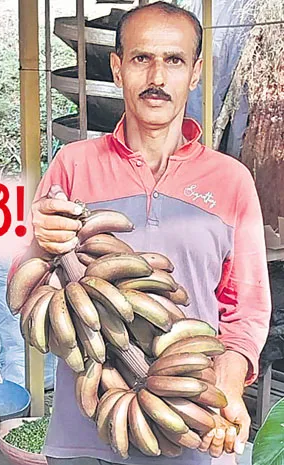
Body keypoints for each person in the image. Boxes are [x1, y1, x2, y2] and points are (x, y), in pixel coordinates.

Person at [24, 2, 272, 464]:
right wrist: (39, 245)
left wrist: (230, 381)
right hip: (85, 438)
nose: (157, 76)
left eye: (174, 60)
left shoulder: (232, 181)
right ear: (118, 69)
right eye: (142, 59)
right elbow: (28, 292)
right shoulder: (72, 166)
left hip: (192, 423)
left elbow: (248, 309)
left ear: (195, 73)